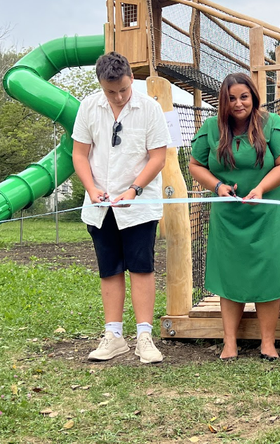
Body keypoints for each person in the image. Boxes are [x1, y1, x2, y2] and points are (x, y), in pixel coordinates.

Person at [188, 73, 280, 361]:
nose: (238, 103)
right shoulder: (211, 128)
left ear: (253, 97)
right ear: (223, 102)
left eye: (243, 96)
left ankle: (268, 343)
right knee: (229, 272)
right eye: (231, 98)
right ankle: (229, 343)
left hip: (269, 208)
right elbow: (195, 165)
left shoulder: (271, 124)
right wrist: (217, 186)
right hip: (229, 212)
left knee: (269, 271)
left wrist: (261, 188)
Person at [72, 51, 171, 363]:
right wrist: (92, 189)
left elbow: (158, 156)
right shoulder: (88, 106)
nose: (117, 96)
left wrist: (134, 189)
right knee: (109, 268)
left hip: (139, 204)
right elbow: (79, 154)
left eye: (123, 90)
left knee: (142, 266)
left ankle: (144, 336)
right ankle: (114, 336)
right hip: (101, 205)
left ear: (131, 79)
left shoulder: (149, 108)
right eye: (110, 91)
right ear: (101, 85)